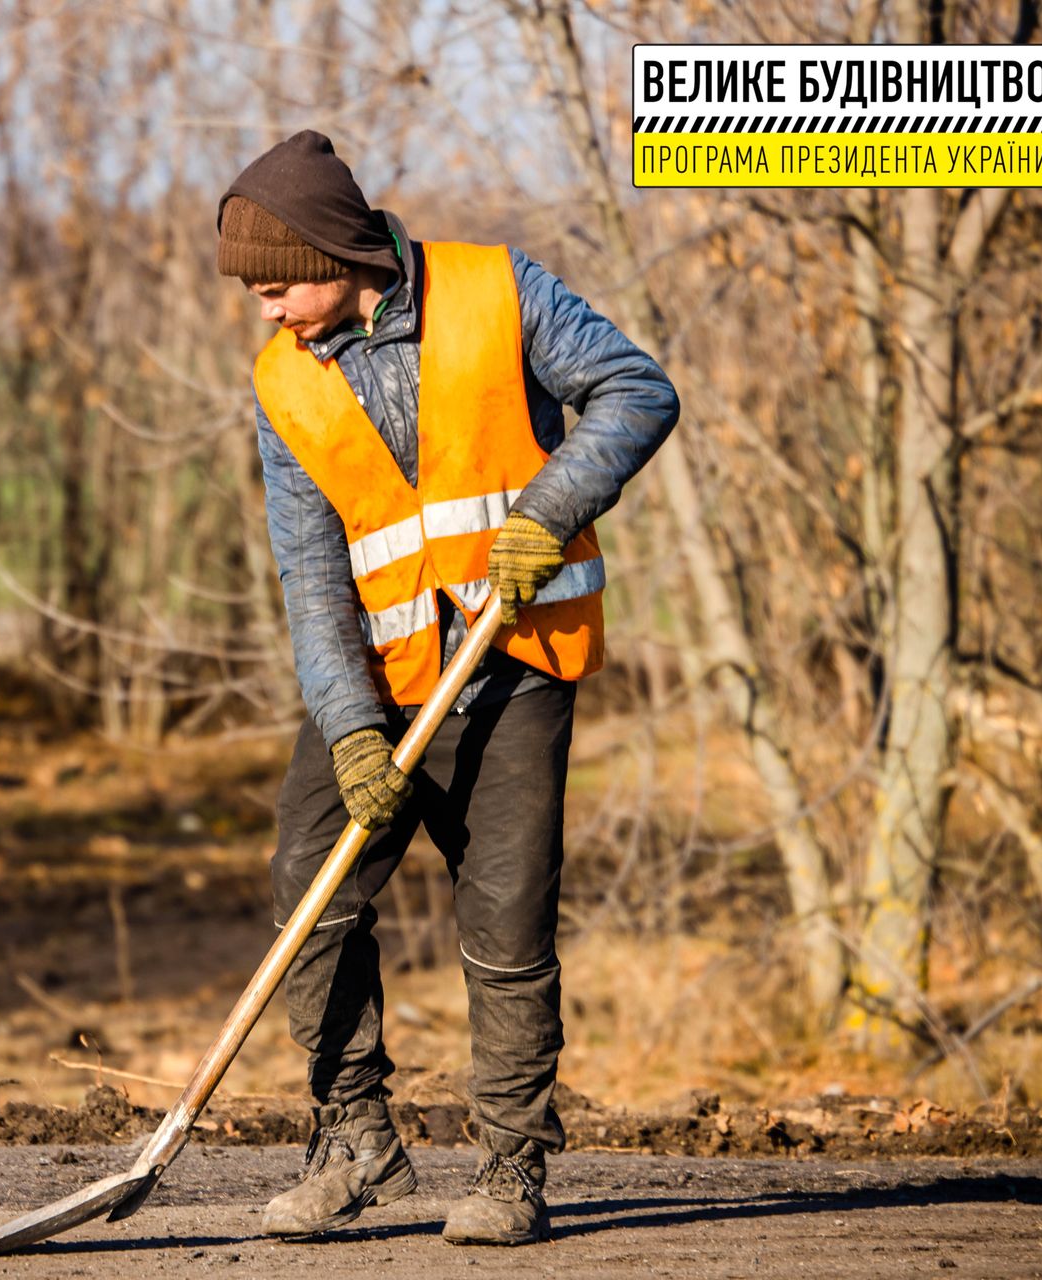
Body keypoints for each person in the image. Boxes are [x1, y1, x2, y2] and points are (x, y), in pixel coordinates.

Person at [218, 130, 678, 1246]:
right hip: (381, 677)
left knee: (506, 923)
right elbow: (312, 573)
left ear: (339, 250)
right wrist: (350, 730)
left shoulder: (496, 289)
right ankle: (356, 1138)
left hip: (513, 665)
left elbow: (635, 389)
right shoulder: (285, 380)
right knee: (307, 894)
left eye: (277, 284)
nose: (268, 310)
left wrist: (551, 508)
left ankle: (513, 1167)